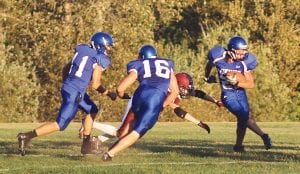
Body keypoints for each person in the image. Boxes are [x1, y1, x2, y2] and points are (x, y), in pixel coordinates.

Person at [17, 32, 117, 156]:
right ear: (99, 45)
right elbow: (96, 85)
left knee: (92, 109)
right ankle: (26, 136)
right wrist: (109, 93)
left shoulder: (82, 50)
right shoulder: (100, 58)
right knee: (60, 124)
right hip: (75, 92)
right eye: (108, 46)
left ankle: (86, 144)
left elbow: (65, 69)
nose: (109, 48)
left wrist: (68, 84)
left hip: (69, 88)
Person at [80, 71, 223, 146]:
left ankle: (97, 140)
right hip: (138, 104)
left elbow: (198, 93)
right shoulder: (167, 92)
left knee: (125, 133)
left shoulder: (175, 89)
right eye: (185, 88)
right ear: (178, 84)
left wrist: (215, 100)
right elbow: (178, 111)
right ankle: (87, 124)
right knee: (121, 133)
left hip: (144, 105)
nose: (187, 91)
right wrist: (198, 122)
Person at [101, 44, 179, 161]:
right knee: (137, 132)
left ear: (142, 56)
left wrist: (122, 96)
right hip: (155, 98)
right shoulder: (167, 64)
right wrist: (161, 106)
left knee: (128, 129)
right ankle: (109, 154)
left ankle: (108, 149)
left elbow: (120, 89)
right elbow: (174, 92)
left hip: (139, 96)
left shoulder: (137, 64)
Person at [203, 36, 272, 152]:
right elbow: (210, 64)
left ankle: (238, 146)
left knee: (242, 119)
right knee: (244, 116)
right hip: (228, 95)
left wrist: (237, 82)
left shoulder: (244, 63)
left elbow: (251, 84)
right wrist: (207, 76)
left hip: (241, 93)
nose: (242, 54)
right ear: (231, 50)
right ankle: (263, 135)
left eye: (244, 51)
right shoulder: (218, 56)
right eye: (240, 52)